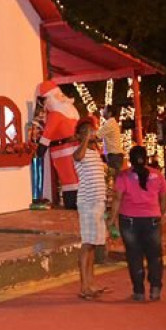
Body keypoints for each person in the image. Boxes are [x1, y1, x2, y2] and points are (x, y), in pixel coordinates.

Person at [110, 146, 166, 302]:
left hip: (129, 220)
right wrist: (159, 213)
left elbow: (117, 198)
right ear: (147, 158)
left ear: (129, 159)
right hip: (152, 219)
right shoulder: (157, 175)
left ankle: (139, 291)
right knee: (155, 255)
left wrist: (111, 219)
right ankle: (155, 288)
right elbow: (165, 197)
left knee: (134, 255)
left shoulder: (123, 176)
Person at [72, 120, 109, 299]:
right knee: (87, 244)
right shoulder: (80, 152)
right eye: (86, 132)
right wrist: (85, 139)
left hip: (98, 202)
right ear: (80, 135)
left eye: (91, 131)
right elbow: (77, 157)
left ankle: (90, 283)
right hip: (87, 203)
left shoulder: (95, 152)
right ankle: (84, 286)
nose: (91, 134)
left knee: (93, 244)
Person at [35, 81, 81, 209]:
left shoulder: (55, 114)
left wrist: (41, 150)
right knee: (76, 177)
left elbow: (48, 133)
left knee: (68, 179)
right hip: (76, 148)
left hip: (62, 151)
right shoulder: (72, 111)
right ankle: (78, 202)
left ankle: (71, 203)